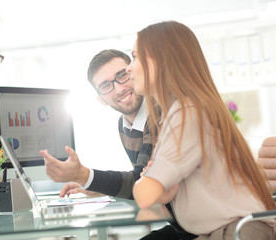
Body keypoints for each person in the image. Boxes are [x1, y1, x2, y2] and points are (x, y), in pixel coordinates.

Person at [130, 21, 275, 240]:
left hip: (238, 232)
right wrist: (162, 188)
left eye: (135, 56)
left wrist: (150, 182)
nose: (128, 68)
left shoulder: (188, 113)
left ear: (161, 60)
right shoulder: (182, 111)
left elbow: (145, 195)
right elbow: (158, 192)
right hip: (224, 231)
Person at [40, 49, 197, 239]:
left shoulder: (160, 112)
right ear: (101, 99)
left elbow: (141, 181)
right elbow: (142, 180)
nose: (119, 89)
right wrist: (97, 187)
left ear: (134, 72)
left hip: (201, 228)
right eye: (106, 86)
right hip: (183, 226)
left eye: (122, 75)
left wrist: (85, 175)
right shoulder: (124, 126)